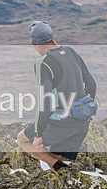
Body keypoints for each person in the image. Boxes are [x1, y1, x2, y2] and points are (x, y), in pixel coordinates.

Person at [16, 21, 97, 171]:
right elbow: (91, 84)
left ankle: (53, 163)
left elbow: (45, 102)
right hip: (82, 123)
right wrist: (84, 109)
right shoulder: (71, 52)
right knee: (57, 157)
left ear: (36, 43)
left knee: (22, 140)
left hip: (62, 123)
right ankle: (60, 168)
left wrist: (38, 134)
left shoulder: (43, 63)